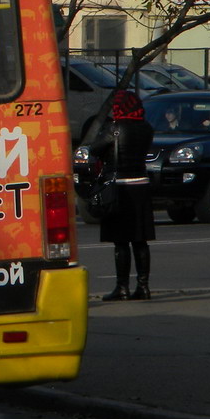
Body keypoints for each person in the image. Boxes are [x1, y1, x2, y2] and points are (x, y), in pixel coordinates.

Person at [89, 89, 155, 301]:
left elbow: (95, 149)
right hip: (141, 186)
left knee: (120, 241)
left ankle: (122, 287)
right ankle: (143, 286)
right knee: (140, 240)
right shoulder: (146, 128)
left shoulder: (114, 128)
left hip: (119, 187)